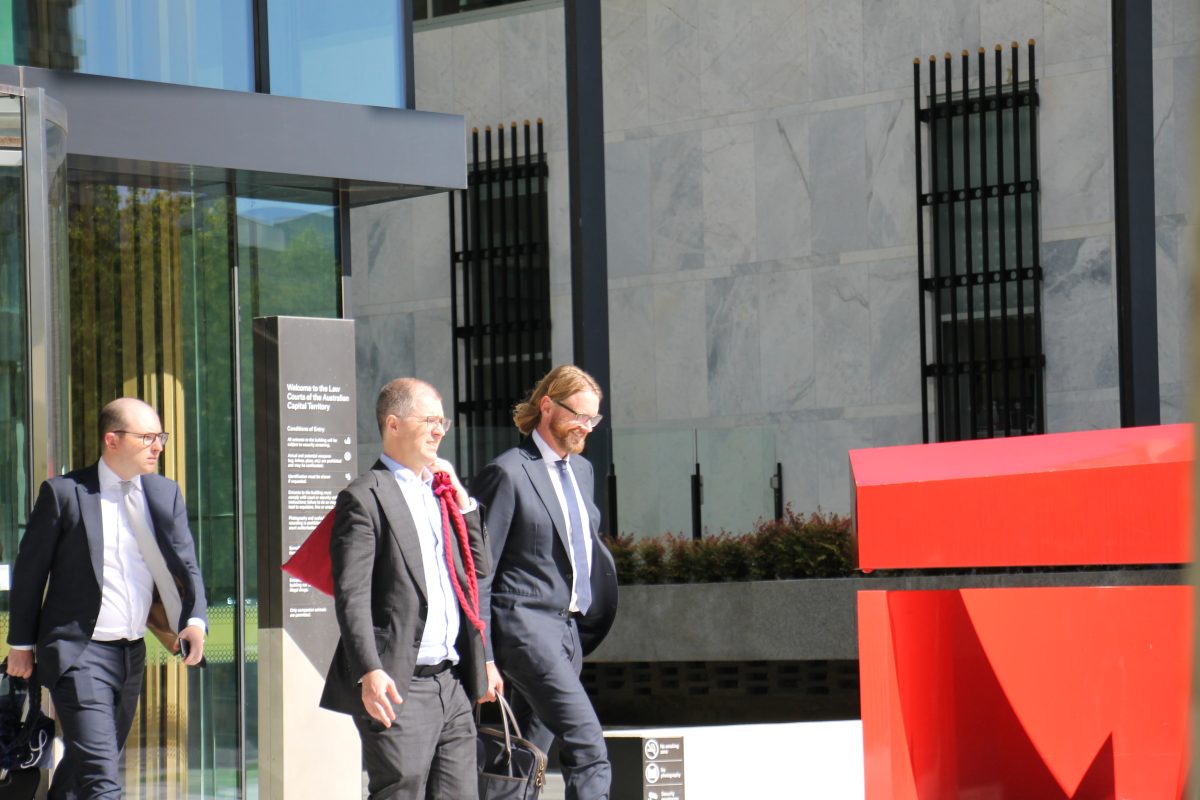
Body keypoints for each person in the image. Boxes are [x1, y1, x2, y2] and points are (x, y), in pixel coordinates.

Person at [6, 397, 207, 799]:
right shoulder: (65, 494)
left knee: (85, 767)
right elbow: (30, 574)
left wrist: (195, 620)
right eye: (147, 436)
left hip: (131, 654)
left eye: (160, 436)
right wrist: (21, 645)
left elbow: (187, 564)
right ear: (111, 440)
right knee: (102, 780)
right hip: (79, 654)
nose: (158, 446)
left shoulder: (164, 494)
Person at [319, 378, 499, 800]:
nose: (439, 431)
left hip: (452, 683)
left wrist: (462, 498)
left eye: (443, 422)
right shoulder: (364, 497)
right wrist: (368, 670)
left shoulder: (441, 492)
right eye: (430, 420)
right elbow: (352, 596)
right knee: (401, 792)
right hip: (400, 684)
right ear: (394, 424)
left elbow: (480, 568)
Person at [474, 365, 617, 800]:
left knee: (523, 755)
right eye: (579, 416)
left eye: (593, 420)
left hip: (568, 631)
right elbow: (480, 570)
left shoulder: (584, 472)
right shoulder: (508, 472)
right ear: (548, 406)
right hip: (524, 628)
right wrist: (483, 657)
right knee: (588, 747)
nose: (586, 427)